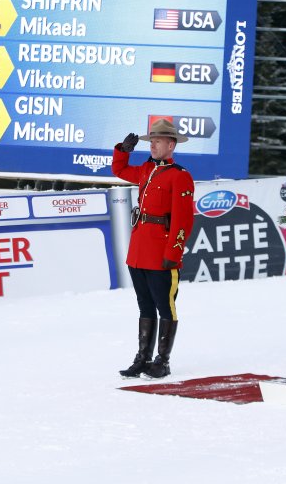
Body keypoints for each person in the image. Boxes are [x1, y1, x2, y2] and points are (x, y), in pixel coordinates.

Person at [112, 118, 195, 379]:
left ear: (171, 145)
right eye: (151, 141)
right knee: (144, 306)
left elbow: (183, 220)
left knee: (165, 306)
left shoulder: (180, 176)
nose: (153, 145)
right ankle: (142, 358)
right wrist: (123, 151)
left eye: (158, 141)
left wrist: (174, 253)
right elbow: (119, 170)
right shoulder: (147, 170)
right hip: (139, 251)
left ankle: (162, 361)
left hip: (161, 253)